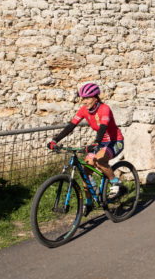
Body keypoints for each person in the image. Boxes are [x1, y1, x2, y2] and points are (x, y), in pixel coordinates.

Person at [47, 83, 125, 216]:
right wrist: (55, 140)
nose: (84, 101)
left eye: (87, 98)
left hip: (114, 141)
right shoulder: (83, 110)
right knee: (85, 172)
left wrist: (95, 143)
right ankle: (89, 202)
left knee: (99, 160)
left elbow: (103, 127)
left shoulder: (104, 108)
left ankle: (115, 182)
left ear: (95, 97)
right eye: (83, 98)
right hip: (100, 143)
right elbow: (71, 126)